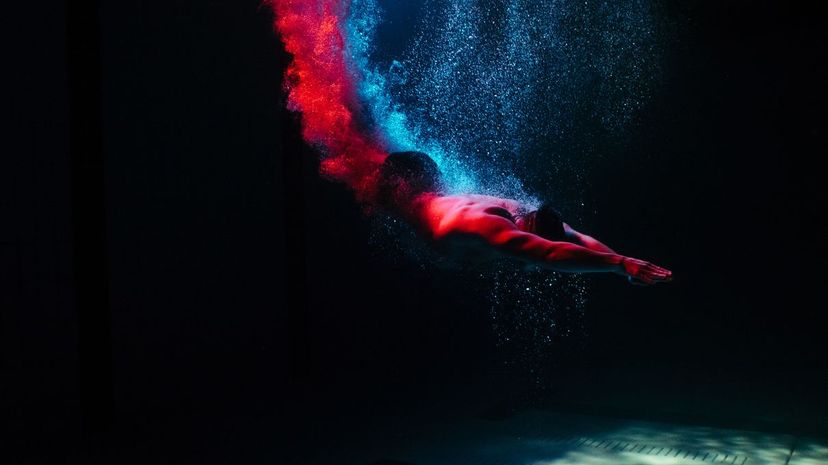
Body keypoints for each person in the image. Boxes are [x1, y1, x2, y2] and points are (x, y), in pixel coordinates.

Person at [375, 151, 672, 285]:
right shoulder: (490, 228)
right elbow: (550, 252)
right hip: (403, 198)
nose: (530, 264)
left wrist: (625, 268)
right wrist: (619, 264)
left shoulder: (523, 210)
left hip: (426, 182)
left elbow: (576, 238)